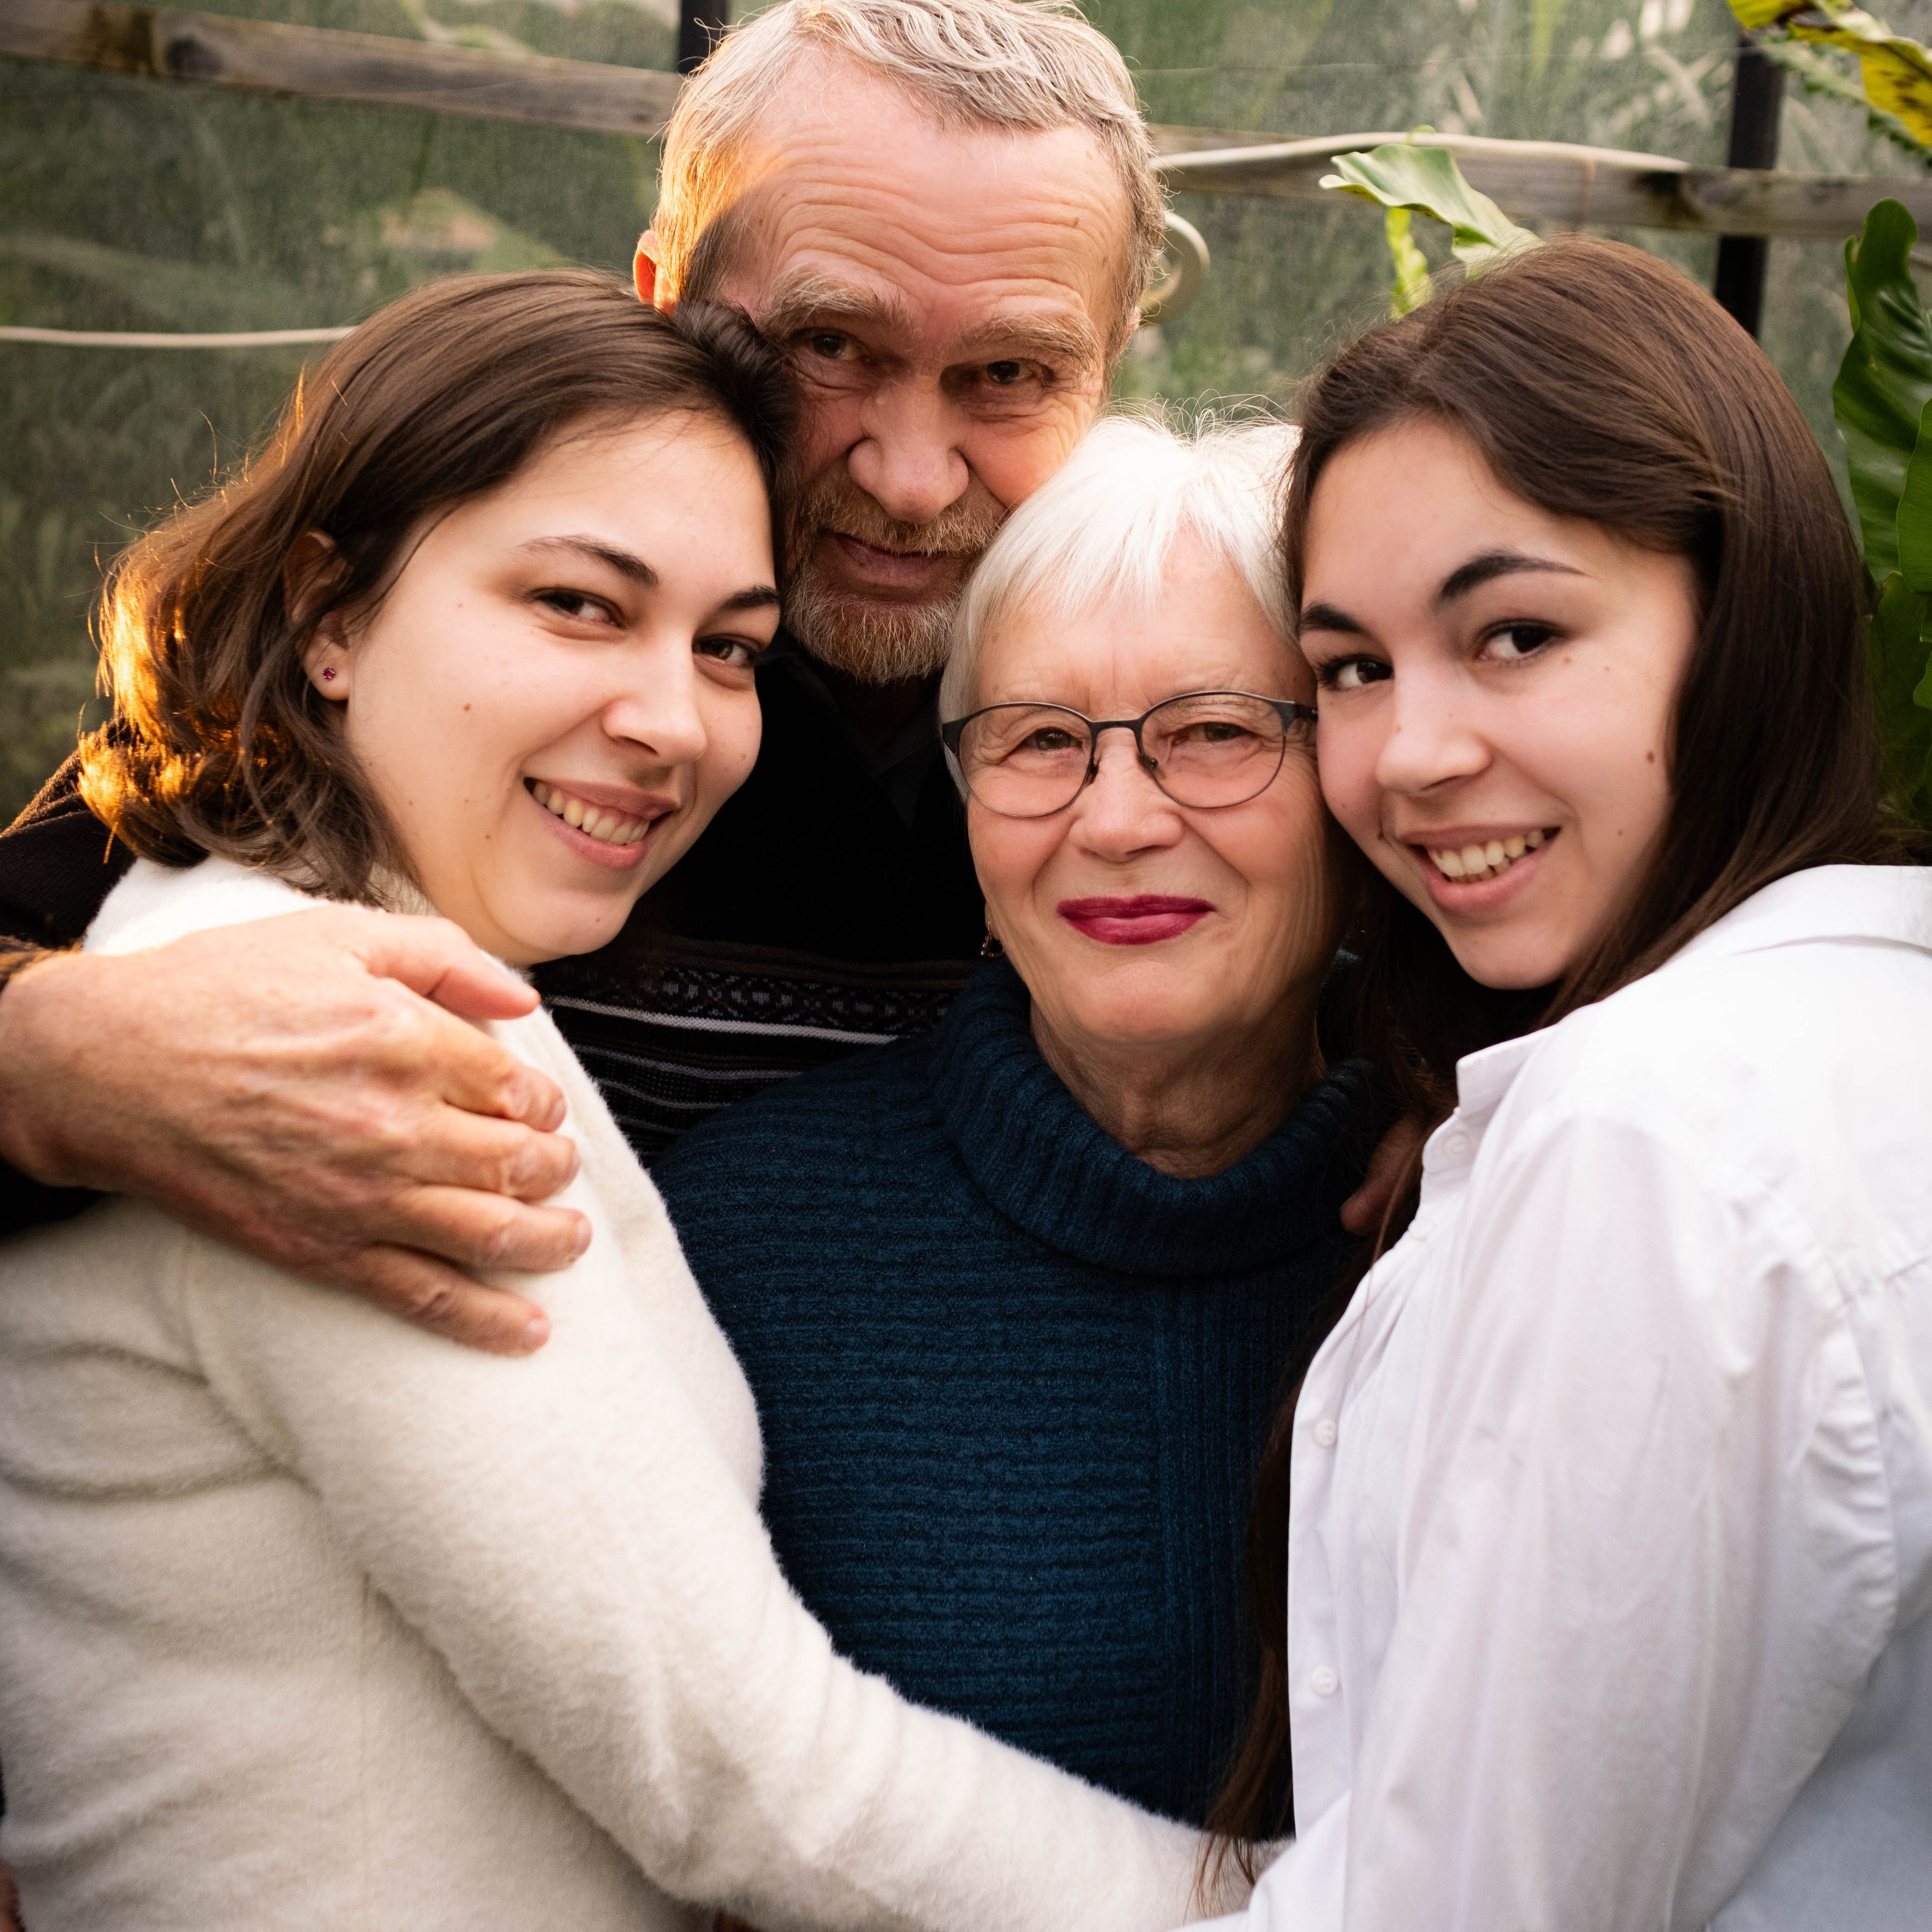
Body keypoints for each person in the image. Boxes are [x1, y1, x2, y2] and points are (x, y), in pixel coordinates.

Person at [0, 269, 1234, 1932]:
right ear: (330, 615)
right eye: (581, 605)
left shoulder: (237, 935)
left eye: (728, 647)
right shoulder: (334, 1044)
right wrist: (1312, 1904)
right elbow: (754, 1774)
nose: (668, 720)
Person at [0, 0, 1162, 1349]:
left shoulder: (1201, 717)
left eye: (1009, 373)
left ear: (1105, 374)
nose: (910, 480)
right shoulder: (448, 695)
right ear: (665, 300)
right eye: (830, 347)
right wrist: (60, 1068)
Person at [1198, 238, 1932, 1928]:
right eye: (1350, 667)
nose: (1410, 752)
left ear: (1735, 622)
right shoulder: (1857, 1027)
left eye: (1513, 632)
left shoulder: (1659, 1129)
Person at [654, 414, 1386, 1826]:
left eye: (1218, 732)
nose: (1116, 819)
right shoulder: (740, 1241)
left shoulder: (1485, 1217)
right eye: (1042, 738)